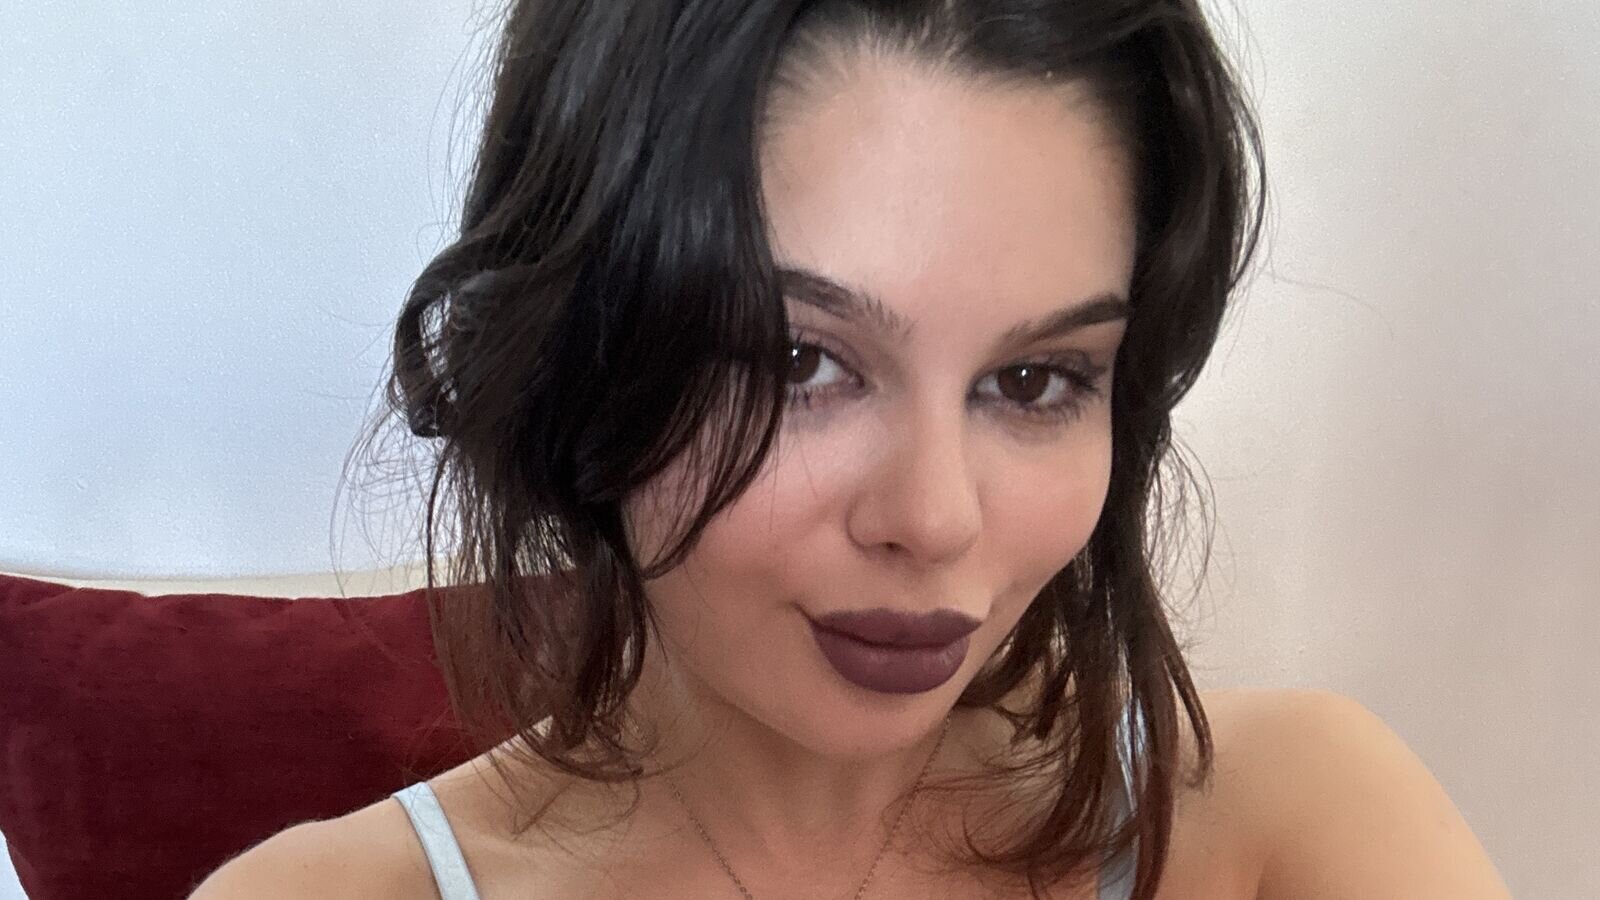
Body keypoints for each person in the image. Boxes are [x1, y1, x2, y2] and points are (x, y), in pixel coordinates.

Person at [194, 1, 1511, 897]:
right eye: (795, 362)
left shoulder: (1296, 827)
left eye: (1035, 380)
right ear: (581, 354)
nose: (933, 520)